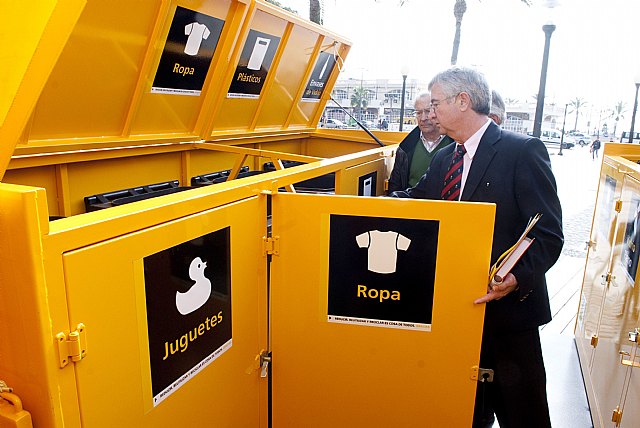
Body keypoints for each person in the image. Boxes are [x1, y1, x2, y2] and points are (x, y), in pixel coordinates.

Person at [394, 67, 563, 428]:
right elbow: (416, 201)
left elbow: (548, 233)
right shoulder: (445, 158)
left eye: (435, 103)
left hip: (509, 320)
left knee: (524, 415)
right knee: (465, 412)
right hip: (456, 314)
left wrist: (515, 279)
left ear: (463, 101)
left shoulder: (522, 151)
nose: (431, 113)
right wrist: (355, 204)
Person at [387, 92, 453, 193]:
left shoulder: (456, 144)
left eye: (427, 111)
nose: (423, 118)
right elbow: (395, 186)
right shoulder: (405, 148)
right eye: (418, 113)